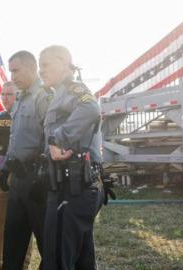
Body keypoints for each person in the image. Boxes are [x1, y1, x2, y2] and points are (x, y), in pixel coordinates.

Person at [39, 45, 109, 270]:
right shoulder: (59, 92)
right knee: (82, 260)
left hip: (72, 186)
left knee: (58, 259)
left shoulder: (72, 88)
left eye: (46, 64)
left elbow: (90, 108)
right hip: (72, 186)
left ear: (63, 61)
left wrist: (59, 139)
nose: (41, 70)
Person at [2, 51, 53, 270]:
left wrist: (41, 177)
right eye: (10, 70)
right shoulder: (20, 97)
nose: (12, 76)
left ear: (32, 68)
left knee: (47, 245)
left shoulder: (44, 96)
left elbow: (51, 140)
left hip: (37, 181)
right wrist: (6, 168)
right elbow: (16, 138)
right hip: (18, 179)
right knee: (13, 244)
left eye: (16, 70)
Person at [0, 82, 32, 270]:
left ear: (18, 95)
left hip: (21, 176)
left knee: (22, 224)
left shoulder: (28, 117)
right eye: (3, 94)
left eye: (10, 94)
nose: (5, 97)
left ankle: (21, 265)